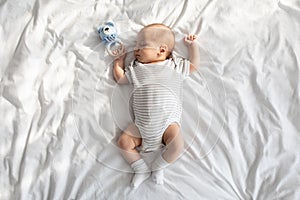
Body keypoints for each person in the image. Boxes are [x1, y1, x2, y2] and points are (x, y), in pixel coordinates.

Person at [113, 23, 199, 188]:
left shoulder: (174, 65)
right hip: (140, 125)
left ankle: (159, 166)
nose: (136, 49)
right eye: (136, 45)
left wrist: (192, 46)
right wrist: (119, 62)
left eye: (142, 45)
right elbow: (121, 79)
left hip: (167, 124)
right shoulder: (136, 68)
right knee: (123, 142)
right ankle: (140, 168)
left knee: (177, 145)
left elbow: (193, 66)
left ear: (161, 50)